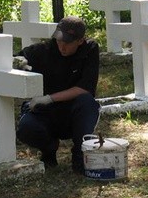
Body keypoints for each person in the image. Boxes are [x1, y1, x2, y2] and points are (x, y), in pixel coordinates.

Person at [16, 16, 100, 173]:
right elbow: (18, 58)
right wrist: (19, 62)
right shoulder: (44, 49)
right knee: (27, 128)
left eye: (67, 43)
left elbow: (85, 88)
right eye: (59, 41)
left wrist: (49, 98)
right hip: (46, 112)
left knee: (87, 103)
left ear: (80, 41)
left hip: (73, 112)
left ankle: (80, 156)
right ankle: (48, 150)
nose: (62, 46)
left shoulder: (90, 50)